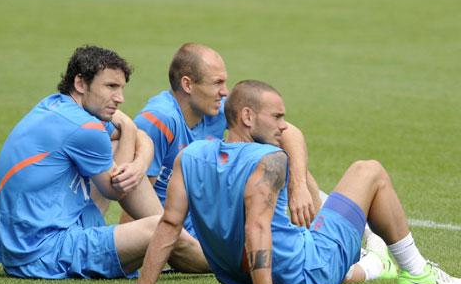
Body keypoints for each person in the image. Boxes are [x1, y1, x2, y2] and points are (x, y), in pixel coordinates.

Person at [112, 79, 461, 284]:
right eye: (279, 117)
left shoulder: (190, 157)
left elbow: (169, 224)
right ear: (248, 118)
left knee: (310, 230)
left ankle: (375, 261)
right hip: (303, 271)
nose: (285, 126)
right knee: (369, 170)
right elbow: (257, 227)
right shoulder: (270, 159)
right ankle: (417, 272)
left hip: (236, 279)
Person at [0, 45, 206, 279]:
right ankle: (223, 264)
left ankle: (177, 236)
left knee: (120, 149)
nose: (120, 98)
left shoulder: (57, 106)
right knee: (157, 229)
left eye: (121, 88)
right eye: (111, 86)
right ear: (80, 83)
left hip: (24, 244)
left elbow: (142, 139)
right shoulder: (86, 128)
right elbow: (115, 189)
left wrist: (139, 163)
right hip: (45, 252)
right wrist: (130, 130)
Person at [127, 43, 320, 237]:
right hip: (182, 235)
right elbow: (135, 195)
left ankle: (318, 223)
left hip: (212, 221)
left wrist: (298, 187)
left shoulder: (215, 109)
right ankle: (317, 238)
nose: (225, 92)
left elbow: (288, 132)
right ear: (188, 85)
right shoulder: (160, 120)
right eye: (217, 83)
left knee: (281, 153)